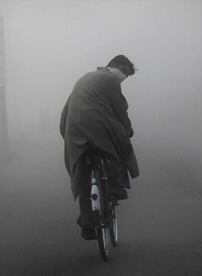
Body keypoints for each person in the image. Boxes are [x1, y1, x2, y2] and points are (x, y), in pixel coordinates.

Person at [60, 55, 139, 239]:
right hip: (97, 126)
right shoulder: (111, 79)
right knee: (119, 145)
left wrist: (67, 134)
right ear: (120, 68)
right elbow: (120, 110)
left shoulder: (85, 78)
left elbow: (66, 110)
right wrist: (128, 130)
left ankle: (87, 223)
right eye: (126, 74)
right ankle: (115, 188)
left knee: (84, 175)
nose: (124, 79)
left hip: (74, 131)